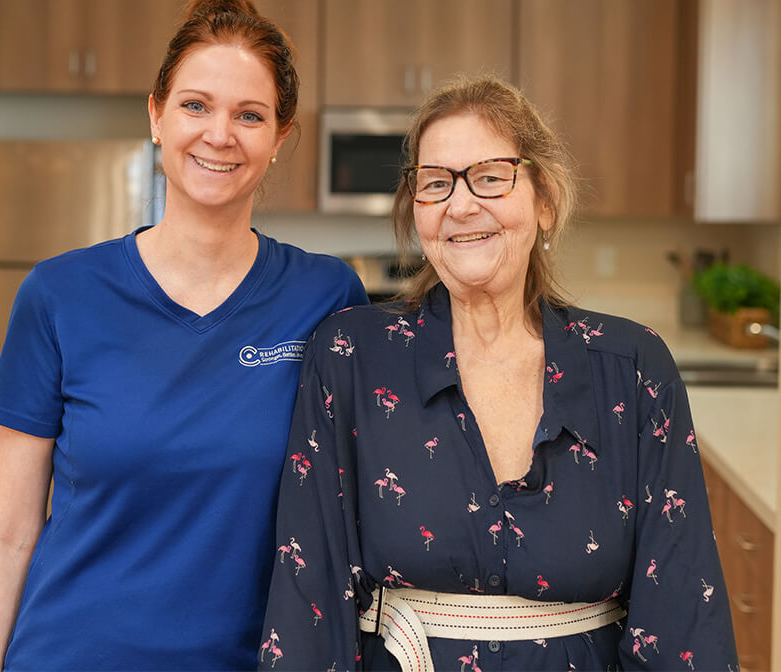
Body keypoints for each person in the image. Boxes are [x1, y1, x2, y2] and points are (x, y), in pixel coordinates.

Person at [258, 75, 738, 671]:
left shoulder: (633, 367)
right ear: (417, 210)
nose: (461, 205)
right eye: (436, 184)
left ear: (545, 198)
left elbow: (683, 612)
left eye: (490, 176)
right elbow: (310, 594)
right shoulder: (352, 356)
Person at [0, 0, 367, 671]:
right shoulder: (59, 295)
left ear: (280, 139)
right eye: (195, 105)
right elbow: (6, 531)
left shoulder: (327, 297)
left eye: (250, 114)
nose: (219, 134)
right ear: (156, 115)